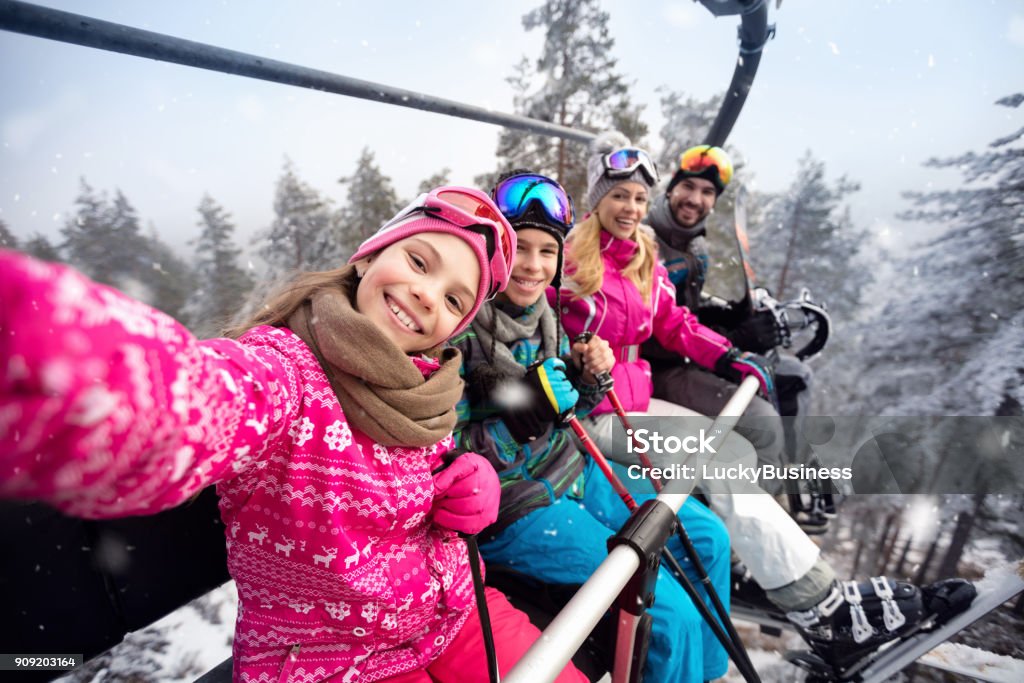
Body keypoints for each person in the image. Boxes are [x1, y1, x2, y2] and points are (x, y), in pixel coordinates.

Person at [0, 187, 586, 683]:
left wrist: (468, 478)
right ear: (369, 256)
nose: (428, 294)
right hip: (334, 660)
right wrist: (62, 355)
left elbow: (431, 468)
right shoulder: (285, 372)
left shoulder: (427, 384)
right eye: (418, 262)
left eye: (454, 299)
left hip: (456, 611)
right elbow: (192, 405)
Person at [556, 133, 976, 675]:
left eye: (639, 198)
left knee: (736, 447)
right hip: (592, 413)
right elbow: (534, 326)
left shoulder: (644, 258)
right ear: (597, 199)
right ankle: (824, 608)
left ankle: (772, 562)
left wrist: (729, 356)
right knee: (718, 459)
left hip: (634, 402)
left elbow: (675, 324)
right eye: (620, 196)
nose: (631, 208)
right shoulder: (569, 259)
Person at [450, 170, 732, 682]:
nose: (533, 267)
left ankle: (705, 674)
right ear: (493, 250)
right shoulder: (461, 329)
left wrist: (586, 382)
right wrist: (518, 423)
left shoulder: (543, 314)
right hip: (516, 506)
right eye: (520, 249)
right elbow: (446, 456)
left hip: (573, 472)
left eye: (546, 252)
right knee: (671, 614)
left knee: (708, 536)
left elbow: (565, 414)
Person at [644, 144, 818, 514]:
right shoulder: (648, 243)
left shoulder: (694, 247)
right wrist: (735, 342)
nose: (695, 199)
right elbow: (650, 329)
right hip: (656, 367)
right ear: (671, 187)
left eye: (707, 193)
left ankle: (787, 485)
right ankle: (743, 529)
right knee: (762, 421)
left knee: (793, 374)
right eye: (688, 187)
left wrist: (736, 319)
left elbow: (686, 311)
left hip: (683, 350)